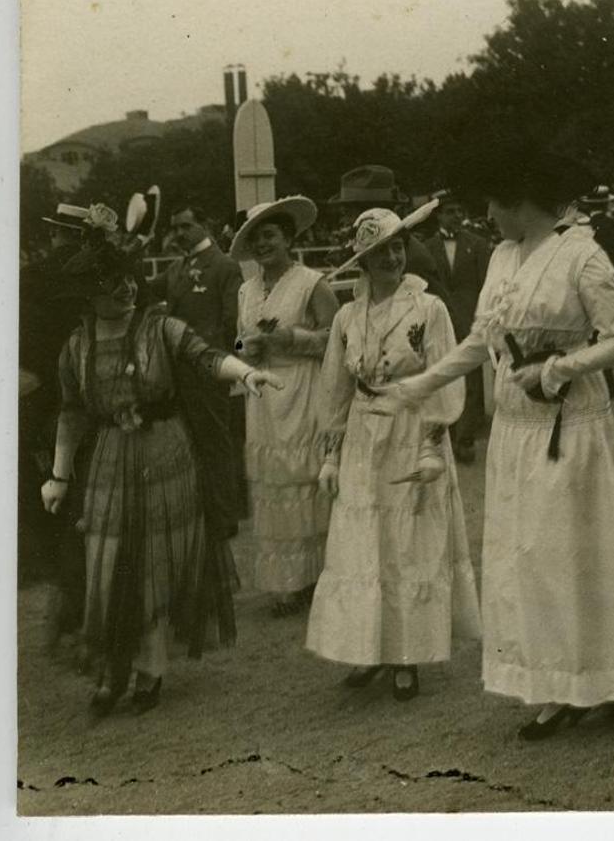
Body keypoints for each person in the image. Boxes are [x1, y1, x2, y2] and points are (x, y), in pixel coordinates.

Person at [396, 148, 614, 740]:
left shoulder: (583, 254)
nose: (490, 216)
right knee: (527, 555)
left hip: (571, 426)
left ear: (518, 199)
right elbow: (482, 339)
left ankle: (603, 677)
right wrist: (423, 383)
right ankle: (556, 682)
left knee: (573, 553)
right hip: (515, 430)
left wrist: (557, 369)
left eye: (494, 205)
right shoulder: (503, 256)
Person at [41, 228, 282, 715]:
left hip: (165, 455)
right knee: (106, 563)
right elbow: (72, 412)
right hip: (111, 457)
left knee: (153, 564)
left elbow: (205, 356)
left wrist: (246, 373)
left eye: (126, 279)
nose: (126, 289)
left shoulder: (160, 327)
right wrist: (60, 475)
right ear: (90, 295)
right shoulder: (78, 346)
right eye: (111, 284)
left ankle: (149, 672)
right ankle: (113, 672)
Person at [306, 203, 481, 699]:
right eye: (380, 252)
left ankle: (407, 655)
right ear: (362, 261)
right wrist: (330, 455)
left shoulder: (428, 309)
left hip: (411, 428)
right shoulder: (346, 317)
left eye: (398, 248)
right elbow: (334, 390)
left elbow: (443, 379)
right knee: (366, 541)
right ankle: (369, 648)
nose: (392, 259)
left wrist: (431, 445)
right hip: (365, 433)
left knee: (409, 541)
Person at [232, 197, 339, 618]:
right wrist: (248, 347)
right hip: (264, 394)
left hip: (302, 388)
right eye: (256, 240)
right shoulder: (247, 289)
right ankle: (286, 583)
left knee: (305, 478)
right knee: (273, 482)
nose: (263, 245)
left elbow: (336, 338)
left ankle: (317, 577)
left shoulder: (311, 283)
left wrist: (291, 339)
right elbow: (237, 342)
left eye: (270, 236)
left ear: (288, 238)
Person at [150, 205, 245, 549]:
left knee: (215, 442)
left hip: (207, 369)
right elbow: (145, 290)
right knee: (190, 442)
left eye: (186, 226)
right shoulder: (176, 268)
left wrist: (226, 363)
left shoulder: (224, 266)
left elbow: (232, 321)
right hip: (178, 371)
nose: (179, 234)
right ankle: (204, 513)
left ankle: (225, 516)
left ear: (207, 224)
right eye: (174, 229)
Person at [20, 204, 90, 645]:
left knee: (52, 507)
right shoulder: (85, 280)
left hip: (41, 403)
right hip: (74, 404)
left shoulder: (34, 280)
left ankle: (69, 603)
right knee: (80, 508)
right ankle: (77, 606)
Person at [421, 190, 492, 464]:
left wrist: (480, 316)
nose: (457, 217)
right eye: (450, 211)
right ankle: (444, 436)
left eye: (460, 211)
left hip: (469, 318)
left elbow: (486, 284)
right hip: (439, 319)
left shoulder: (478, 244)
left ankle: (466, 438)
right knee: (441, 374)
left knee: (471, 379)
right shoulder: (426, 247)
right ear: (439, 214)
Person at [328, 165, 447, 300]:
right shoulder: (368, 251)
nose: (344, 220)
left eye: (348, 213)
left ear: (372, 215)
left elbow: (439, 313)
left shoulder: (409, 257)